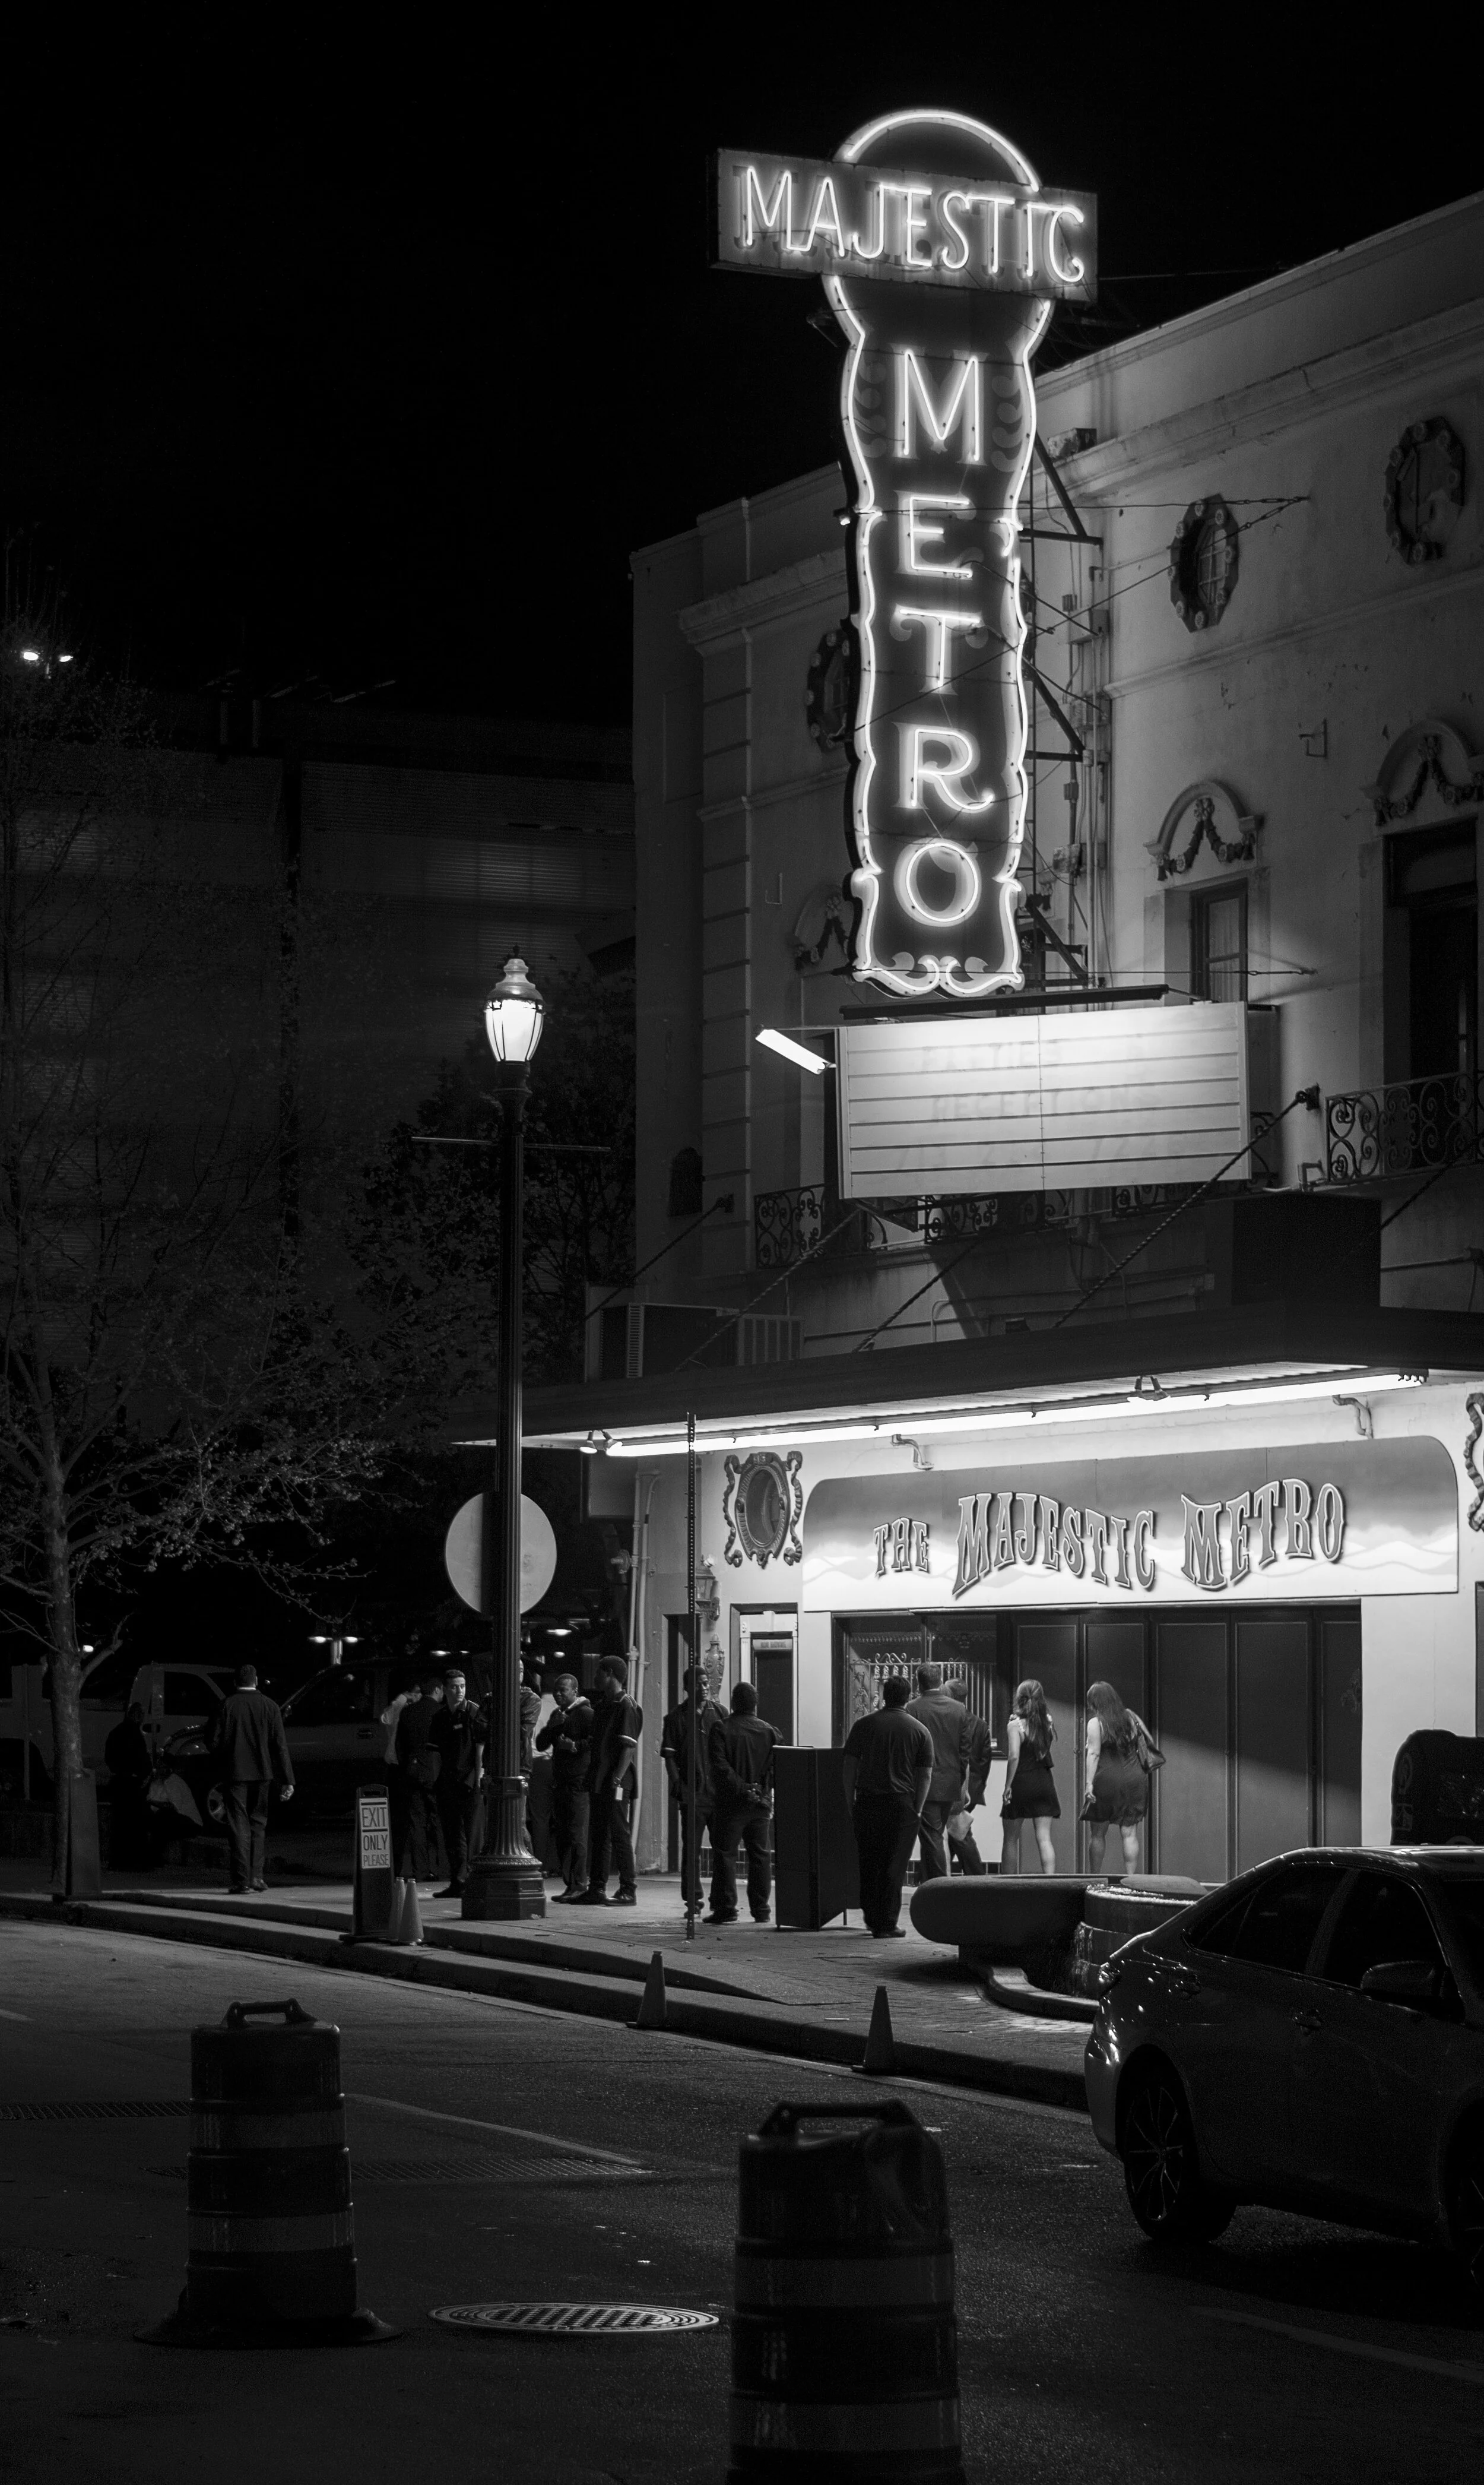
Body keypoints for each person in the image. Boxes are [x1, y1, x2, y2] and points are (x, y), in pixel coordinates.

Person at [842, 1676, 933, 1939]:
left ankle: (871, 1917)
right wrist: (917, 1808)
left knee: (869, 1861)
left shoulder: (863, 1725)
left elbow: (849, 1767)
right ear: (909, 1697)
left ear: (884, 1695)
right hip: (901, 1805)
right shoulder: (920, 1731)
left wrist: (851, 1801)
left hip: (868, 1802)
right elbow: (925, 1775)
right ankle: (887, 1923)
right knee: (894, 1865)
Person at [210, 1663, 294, 1895]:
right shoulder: (270, 1706)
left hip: (235, 1772)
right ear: (256, 1681)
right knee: (259, 1824)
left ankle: (241, 1880)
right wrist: (288, 1779)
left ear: (235, 1682)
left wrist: (225, 1755)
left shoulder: (226, 1705)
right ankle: (257, 1876)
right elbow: (280, 1746)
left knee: (239, 1825)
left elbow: (213, 1741)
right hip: (263, 1773)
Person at [706, 1681, 778, 1926]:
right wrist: (760, 1789)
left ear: (734, 1703)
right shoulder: (771, 1732)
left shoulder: (721, 1728)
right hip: (760, 1805)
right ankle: (761, 1909)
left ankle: (726, 1908)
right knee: (760, 1855)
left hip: (731, 1805)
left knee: (725, 1854)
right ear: (755, 1705)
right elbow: (776, 1767)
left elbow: (719, 1766)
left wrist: (742, 1788)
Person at [577, 1656, 641, 1906]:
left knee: (619, 1832)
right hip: (600, 1778)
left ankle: (628, 1889)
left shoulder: (626, 1705)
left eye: (599, 1673)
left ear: (610, 1674)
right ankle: (597, 1888)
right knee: (599, 1833)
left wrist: (617, 1777)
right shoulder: (604, 1705)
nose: (595, 1678)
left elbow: (629, 1747)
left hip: (616, 1781)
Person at [661, 1665, 724, 1914]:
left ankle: (721, 1901)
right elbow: (670, 1757)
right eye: (698, 1683)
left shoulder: (720, 1713)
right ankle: (693, 1901)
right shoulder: (676, 1718)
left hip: (717, 1795)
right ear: (687, 1687)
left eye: (706, 1683)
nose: (704, 1687)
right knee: (691, 1851)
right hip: (693, 1795)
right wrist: (679, 1785)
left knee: (722, 1850)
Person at [904, 1661, 974, 1883]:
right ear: (940, 1680)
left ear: (918, 1683)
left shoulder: (912, 1709)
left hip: (925, 1784)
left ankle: (938, 1887)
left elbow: (909, 1749)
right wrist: (959, 1779)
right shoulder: (959, 1709)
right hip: (951, 1782)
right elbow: (965, 1751)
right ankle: (930, 1884)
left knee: (933, 1837)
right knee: (934, 1835)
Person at [430, 1664, 487, 1898]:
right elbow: (435, 1752)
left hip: (470, 1781)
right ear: (445, 1690)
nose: (460, 1691)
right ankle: (457, 1881)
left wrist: (478, 1778)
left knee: (473, 1834)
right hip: (448, 1781)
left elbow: (480, 1748)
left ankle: (472, 1881)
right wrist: (437, 1781)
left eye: (462, 1686)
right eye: (454, 1687)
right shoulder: (440, 1717)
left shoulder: (474, 1712)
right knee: (452, 1834)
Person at [1083, 1680, 1152, 1873]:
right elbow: (1148, 1740)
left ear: (1095, 1702)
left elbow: (1094, 1754)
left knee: (1098, 1833)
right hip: (1134, 1779)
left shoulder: (1096, 1723)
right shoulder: (1131, 1717)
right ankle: (1130, 1879)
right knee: (1130, 1834)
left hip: (1107, 1780)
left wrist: (1089, 1784)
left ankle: (1095, 1878)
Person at [537, 1672, 595, 1900]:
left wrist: (574, 1746)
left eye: (563, 1690)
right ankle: (570, 1885)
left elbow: (595, 1742)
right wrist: (553, 1727)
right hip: (559, 1783)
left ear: (575, 1692)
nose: (558, 1694)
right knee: (563, 1836)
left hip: (578, 1783)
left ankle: (580, 1885)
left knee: (577, 1835)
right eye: (556, 1690)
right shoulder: (557, 1715)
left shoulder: (586, 1713)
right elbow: (541, 1744)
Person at [1001, 1679, 1060, 1876]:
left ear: (1019, 1698)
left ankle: (1007, 1883)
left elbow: (1014, 1756)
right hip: (1044, 1781)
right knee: (1044, 1838)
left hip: (1021, 1783)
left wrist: (1008, 1786)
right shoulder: (1048, 1723)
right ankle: (1050, 1880)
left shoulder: (1014, 1725)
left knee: (1010, 1839)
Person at [394, 1673, 445, 1883]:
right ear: (438, 1690)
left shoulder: (408, 1713)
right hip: (435, 1771)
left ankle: (420, 1870)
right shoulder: (441, 1712)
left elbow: (400, 1746)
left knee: (417, 1822)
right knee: (439, 1820)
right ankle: (443, 1868)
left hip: (413, 1770)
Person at [943, 1678, 990, 1875]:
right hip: (973, 1788)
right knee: (955, 1831)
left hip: (955, 1786)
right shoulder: (980, 1724)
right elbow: (985, 1760)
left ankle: (975, 1875)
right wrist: (978, 1787)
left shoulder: (951, 1720)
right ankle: (930, 1873)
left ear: (950, 1695)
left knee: (958, 1833)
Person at [103, 1701, 154, 1870]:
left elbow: (110, 1758)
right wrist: (143, 1773)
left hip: (120, 1781)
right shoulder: (134, 1734)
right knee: (134, 1823)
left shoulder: (116, 1732)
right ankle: (134, 1861)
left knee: (120, 1824)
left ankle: (119, 1860)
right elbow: (141, 1759)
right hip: (131, 1784)